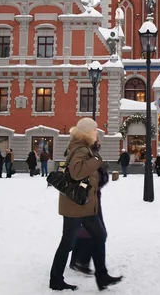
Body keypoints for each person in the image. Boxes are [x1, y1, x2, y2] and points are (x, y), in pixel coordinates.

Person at [49, 118, 122, 291]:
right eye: (94, 130)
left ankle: (102, 276)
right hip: (76, 206)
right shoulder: (81, 148)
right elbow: (76, 172)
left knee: (100, 236)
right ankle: (55, 280)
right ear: (87, 133)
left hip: (84, 205)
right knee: (67, 243)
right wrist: (96, 159)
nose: (97, 132)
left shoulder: (81, 147)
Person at [70, 140, 109, 276]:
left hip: (88, 198)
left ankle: (79, 260)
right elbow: (94, 180)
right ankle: (82, 261)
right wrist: (102, 171)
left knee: (87, 230)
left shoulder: (83, 156)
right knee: (97, 233)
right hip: (88, 199)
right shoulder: (88, 159)